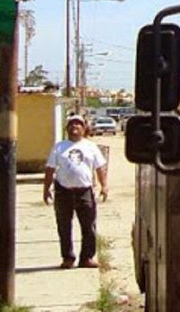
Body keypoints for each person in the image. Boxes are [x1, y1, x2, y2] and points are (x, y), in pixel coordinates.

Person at [43, 114, 109, 269]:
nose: (75, 127)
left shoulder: (91, 146)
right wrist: (46, 190)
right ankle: (68, 258)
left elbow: (100, 168)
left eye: (78, 124)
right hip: (63, 191)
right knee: (64, 227)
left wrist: (104, 186)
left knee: (89, 226)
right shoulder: (59, 147)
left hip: (84, 191)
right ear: (67, 129)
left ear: (84, 128)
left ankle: (87, 258)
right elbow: (50, 169)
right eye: (72, 125)